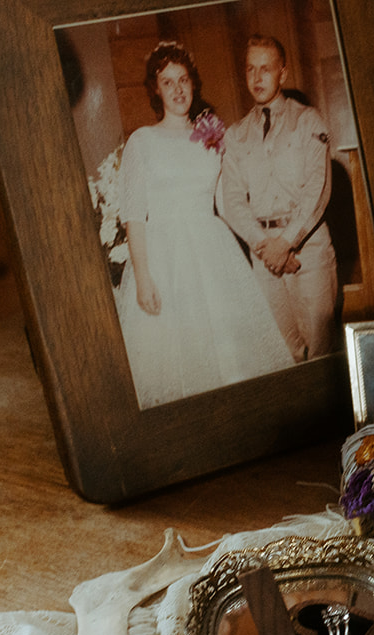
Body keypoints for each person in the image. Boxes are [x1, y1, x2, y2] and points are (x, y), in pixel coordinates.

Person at [115, 40, 294, 409]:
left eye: (184, 80)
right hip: (165, 258)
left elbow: (226, 206)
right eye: (168, 82)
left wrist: (264, 246)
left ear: (193, 84)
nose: (178, 89)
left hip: (212, 251)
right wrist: (144, 277)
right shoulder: (142, 142)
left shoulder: (212, 138)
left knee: (227, 362)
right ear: (156, 90)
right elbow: (133, 214)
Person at [220, 35, 339, 362]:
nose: (256, 79)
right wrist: (266, 247)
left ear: (282, 74)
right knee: (284, 357)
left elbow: (317, 191)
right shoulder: (236, 134)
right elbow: (233, 201)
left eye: (265, 69)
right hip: (264, 260)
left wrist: (286, 242)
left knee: (321, 355)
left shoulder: (308, 121)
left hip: (309, 252)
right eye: (250, 70)